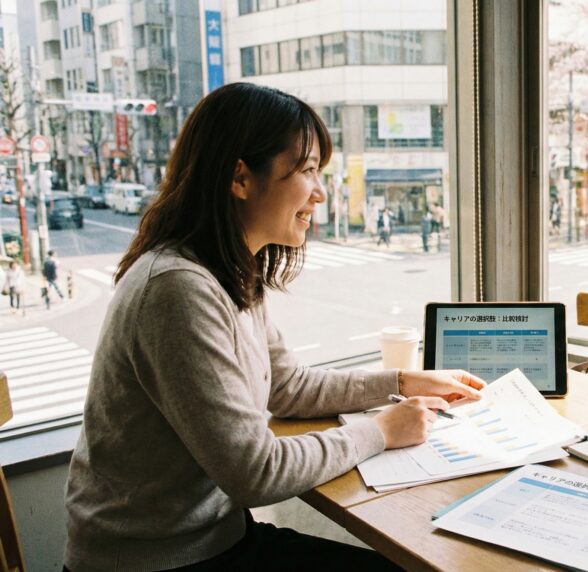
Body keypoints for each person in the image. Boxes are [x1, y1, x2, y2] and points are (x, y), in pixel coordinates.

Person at [63, 83, 486, 571]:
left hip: (211, 538)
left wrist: (402, 382)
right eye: (306, 171)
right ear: (240, 178)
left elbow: (286, 386)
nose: (320, 193)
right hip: (155, 561)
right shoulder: (176, 290)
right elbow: (256, 472)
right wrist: (381, 431)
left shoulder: (229, 271)